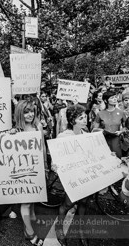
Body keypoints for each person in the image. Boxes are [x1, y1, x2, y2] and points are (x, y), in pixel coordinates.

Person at [53, 104, 89, 246]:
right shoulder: (63, 136)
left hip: (86, 176)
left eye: (85, 116)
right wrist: (55, 166)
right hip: (72, 177)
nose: (85, 119)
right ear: (72, 119)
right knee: (68, 203)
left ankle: (81, 229)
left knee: (84, 202)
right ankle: (59, 227)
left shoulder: (87, 134)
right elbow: (56, 158)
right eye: (81, 118)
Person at [14, 100, 47, 246]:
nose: (30, 114)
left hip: (37, 166)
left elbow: (43, 148)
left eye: (32, 111)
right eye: (26, 111)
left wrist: (45, 165)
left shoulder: (37, 126)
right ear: (20, 113)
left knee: (33, 194)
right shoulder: (16, 131)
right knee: (26, 201)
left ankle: (32, 216)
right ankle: (29, 232)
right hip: (23, 170)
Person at [93, 91, 126, 158]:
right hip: (103, 141)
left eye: (115, 97)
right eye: (112, 98)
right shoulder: (100, 113)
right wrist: (102, 131)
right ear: (105, 100)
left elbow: (126, 127)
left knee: (117, 160)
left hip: (116, 141)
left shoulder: (121, 112)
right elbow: (94, 129)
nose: (115, 99)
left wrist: (121, 131)